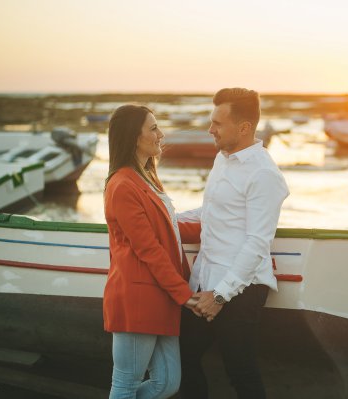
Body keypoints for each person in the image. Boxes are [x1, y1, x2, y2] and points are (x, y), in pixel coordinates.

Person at [178, 88, 289, 398]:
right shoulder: (222, 159)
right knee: (182, 357)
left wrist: (221, 295)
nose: (210, 129)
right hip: (205, 281)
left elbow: (257, 243)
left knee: (240, 371)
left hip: (242, 290)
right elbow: (212, 210)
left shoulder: (264, 174)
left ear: (244, 127)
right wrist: (167, 218)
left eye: (217, 123)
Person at [103, 104, 201, 399]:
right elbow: (149, 248)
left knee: (167, 383)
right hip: (138, 297)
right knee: (125, 386)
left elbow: (169, 228)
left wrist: (223, 226)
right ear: (135, 137)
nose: (161, 134)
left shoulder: (147, 178)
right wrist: (184, 294)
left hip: (161, 298)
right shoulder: (121, 185)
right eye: (154, 128)